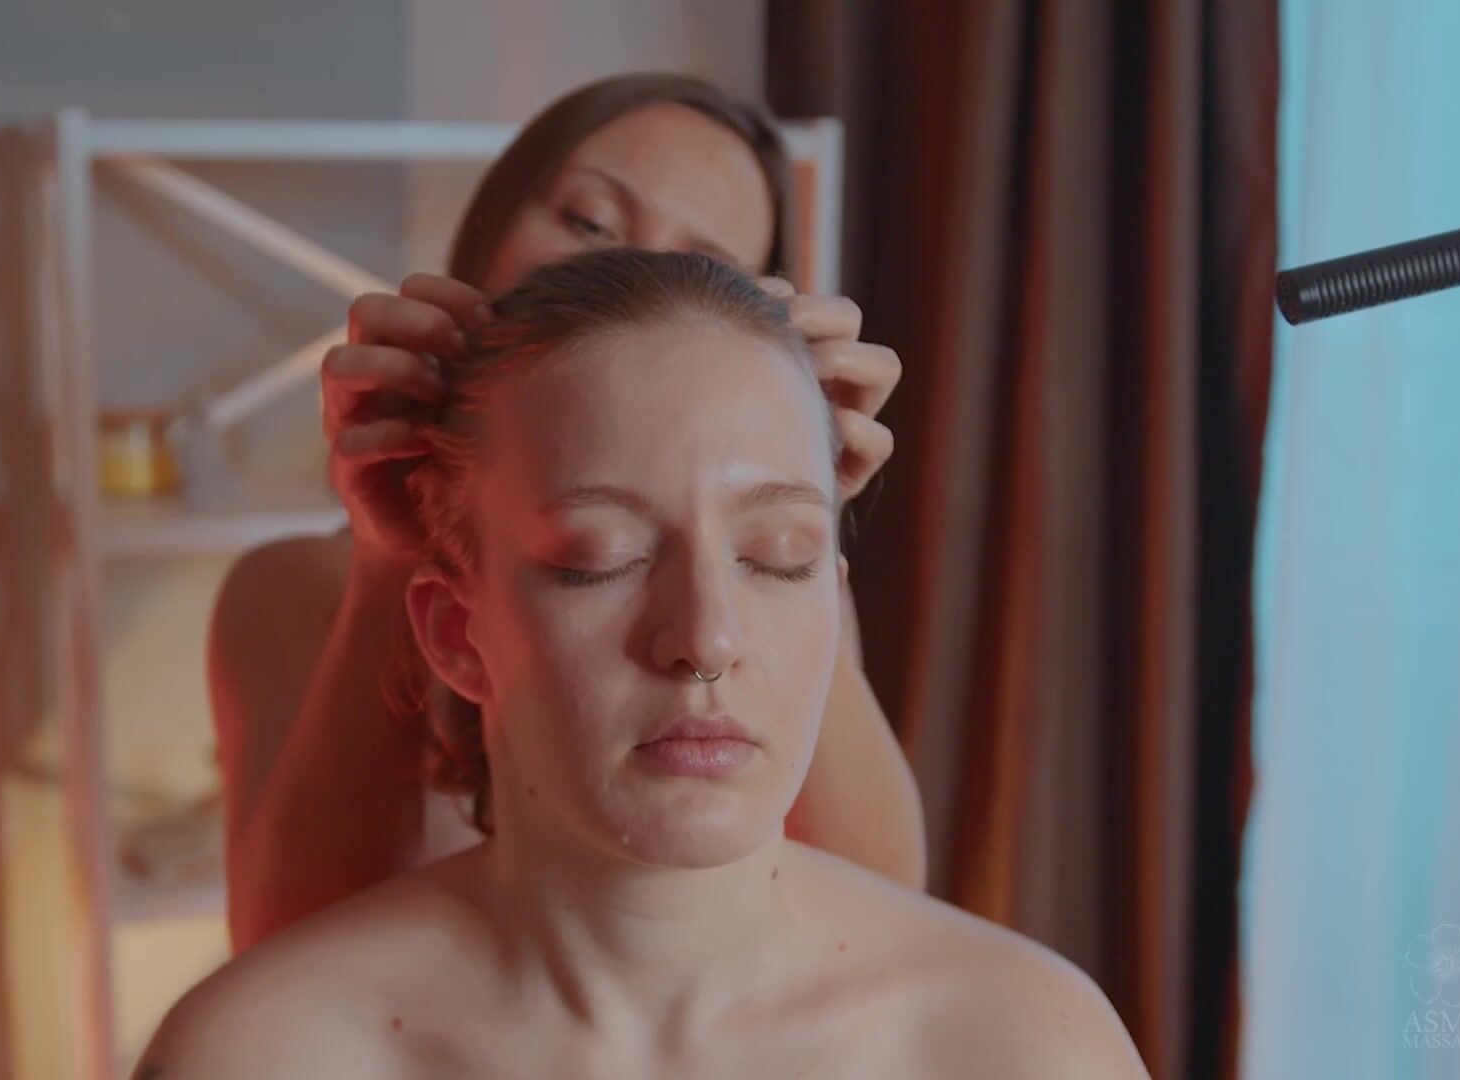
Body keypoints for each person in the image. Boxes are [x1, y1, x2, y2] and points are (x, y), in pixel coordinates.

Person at [141, 250, 1147, 1078]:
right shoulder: (265, 1053)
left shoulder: (1026, 1044)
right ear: (454, 634)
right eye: (601, 561)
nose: (706, 639)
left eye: (777, 558)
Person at [210, 73, 925, 954]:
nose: (633, 278)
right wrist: (391, 552)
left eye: (704, 266)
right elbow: (292, 956)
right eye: (589, 221)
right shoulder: (293, 591)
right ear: (486, 232)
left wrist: (793, 496)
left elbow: (880, 923)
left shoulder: (758, 603)